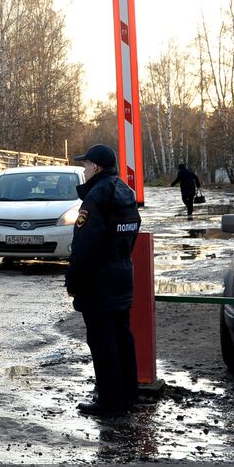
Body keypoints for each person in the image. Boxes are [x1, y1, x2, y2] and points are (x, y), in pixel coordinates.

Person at [64, 144, 142, 417]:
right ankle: (128, 394)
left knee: (102, 340)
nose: (83, 170)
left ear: (96, 167)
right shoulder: (124, 191)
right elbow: (133, 229)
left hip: (99, 281)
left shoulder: (96, 197)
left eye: (85, 165)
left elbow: (84, 246)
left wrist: (73, 281)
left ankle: (109, 401)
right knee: (122, 335)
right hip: (122, 273)